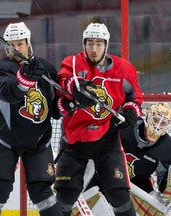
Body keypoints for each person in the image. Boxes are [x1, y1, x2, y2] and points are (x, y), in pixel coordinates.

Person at [54, 23, 144, 216]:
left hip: (107, 139)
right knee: (64, 200)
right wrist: (74, 87)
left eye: (99, 44)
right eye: (90, 44)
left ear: (106, 45)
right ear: (84, 44)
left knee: (120, 197)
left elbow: (135, 98)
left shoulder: (124, 70)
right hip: (74, 139)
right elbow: (62, 80)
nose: (94, 49)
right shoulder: (74, 63)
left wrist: (130, 112)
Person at [0, 22, 63, 216]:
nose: (16, 49)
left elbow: (57, 110)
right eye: (11, 45)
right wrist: (25, 78)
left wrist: (71, 103)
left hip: (39, 141)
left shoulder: (46, 68)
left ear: (28, 43)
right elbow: (9, 93)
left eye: (20, 44)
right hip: (6, 139)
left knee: (42, 193)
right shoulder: (3, 67)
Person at [88, 102, 171, 194]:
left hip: (136, 184)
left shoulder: (166, 148)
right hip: (103, 174)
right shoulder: (126, 125)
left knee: (152, 202)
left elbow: (167, 177)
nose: (157, 127)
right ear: (148, 116)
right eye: (156, 120)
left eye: (163, 123)